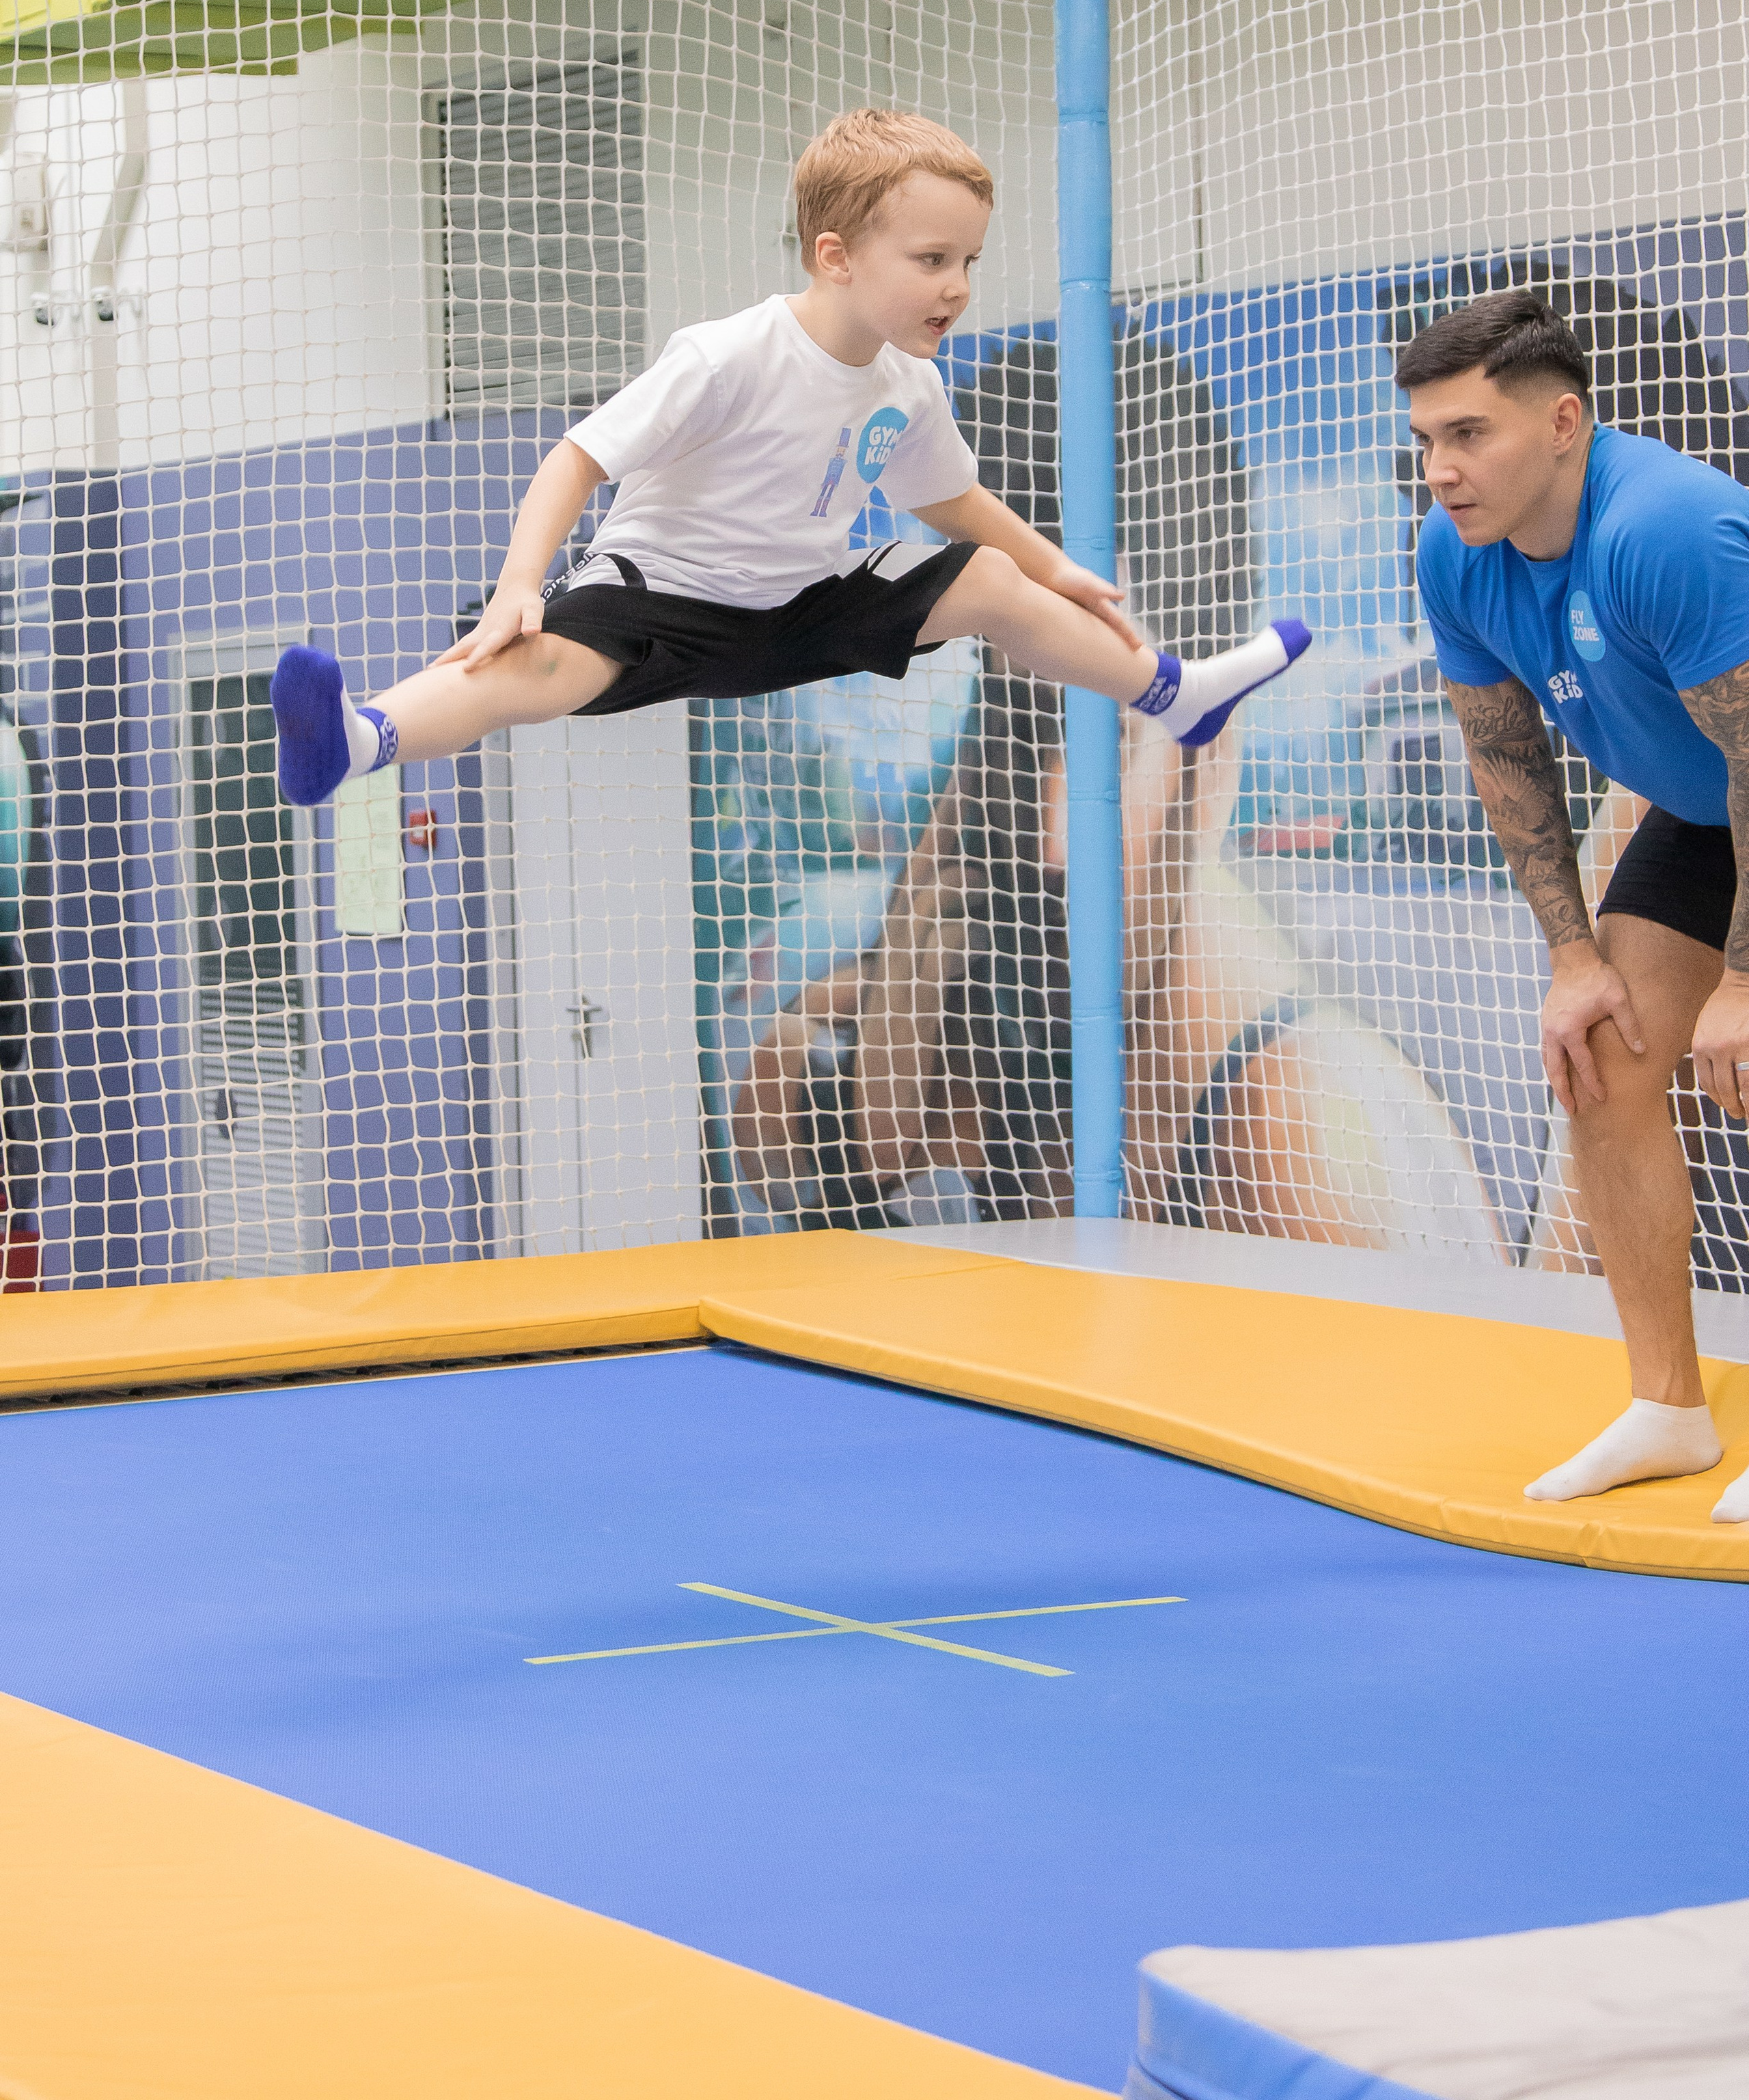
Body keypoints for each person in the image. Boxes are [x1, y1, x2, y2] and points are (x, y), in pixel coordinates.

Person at [270, 107, 1310, 808]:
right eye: (932, 260)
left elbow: (953, 501)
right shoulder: (729, 356)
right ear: (835, 256)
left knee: (992, 578)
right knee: (523, 667)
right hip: (664, 599)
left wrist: (1057, 569)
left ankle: (1173, 694)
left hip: (801, 607)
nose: (957, 286)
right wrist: (516, 587)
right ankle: (358, 742)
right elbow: (577, 458)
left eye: (969, 260)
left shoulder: (909, 384)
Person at [1403, 286, 1749, 1523]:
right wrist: (1572, 956)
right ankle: (1669, 1409)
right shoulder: (1454, 552)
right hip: (1707, 815)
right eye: (1426, 440)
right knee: (1602, 1052)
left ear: (1563, 424)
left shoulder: (1666, 529)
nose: (1441, 470)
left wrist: (1742, 982)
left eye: (1468, 435)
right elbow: (1506, 757)